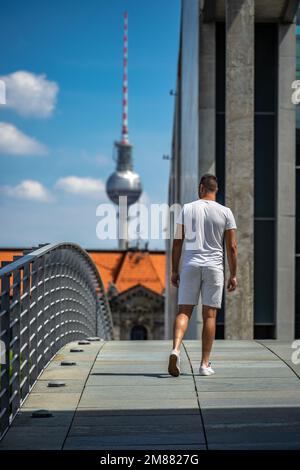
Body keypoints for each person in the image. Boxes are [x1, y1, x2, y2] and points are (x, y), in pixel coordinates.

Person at [168, 174, 238, 377]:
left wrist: (174, 270)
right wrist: (233, 274)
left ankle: (176, 350)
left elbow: (177, 242)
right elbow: (232, 247)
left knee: (184, 312)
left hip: (190, 265)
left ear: (201, 188)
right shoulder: (226, 212)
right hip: (214, 267)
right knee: (210, 315)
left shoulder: (187, 209)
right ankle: (204, 364)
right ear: (216, 190)